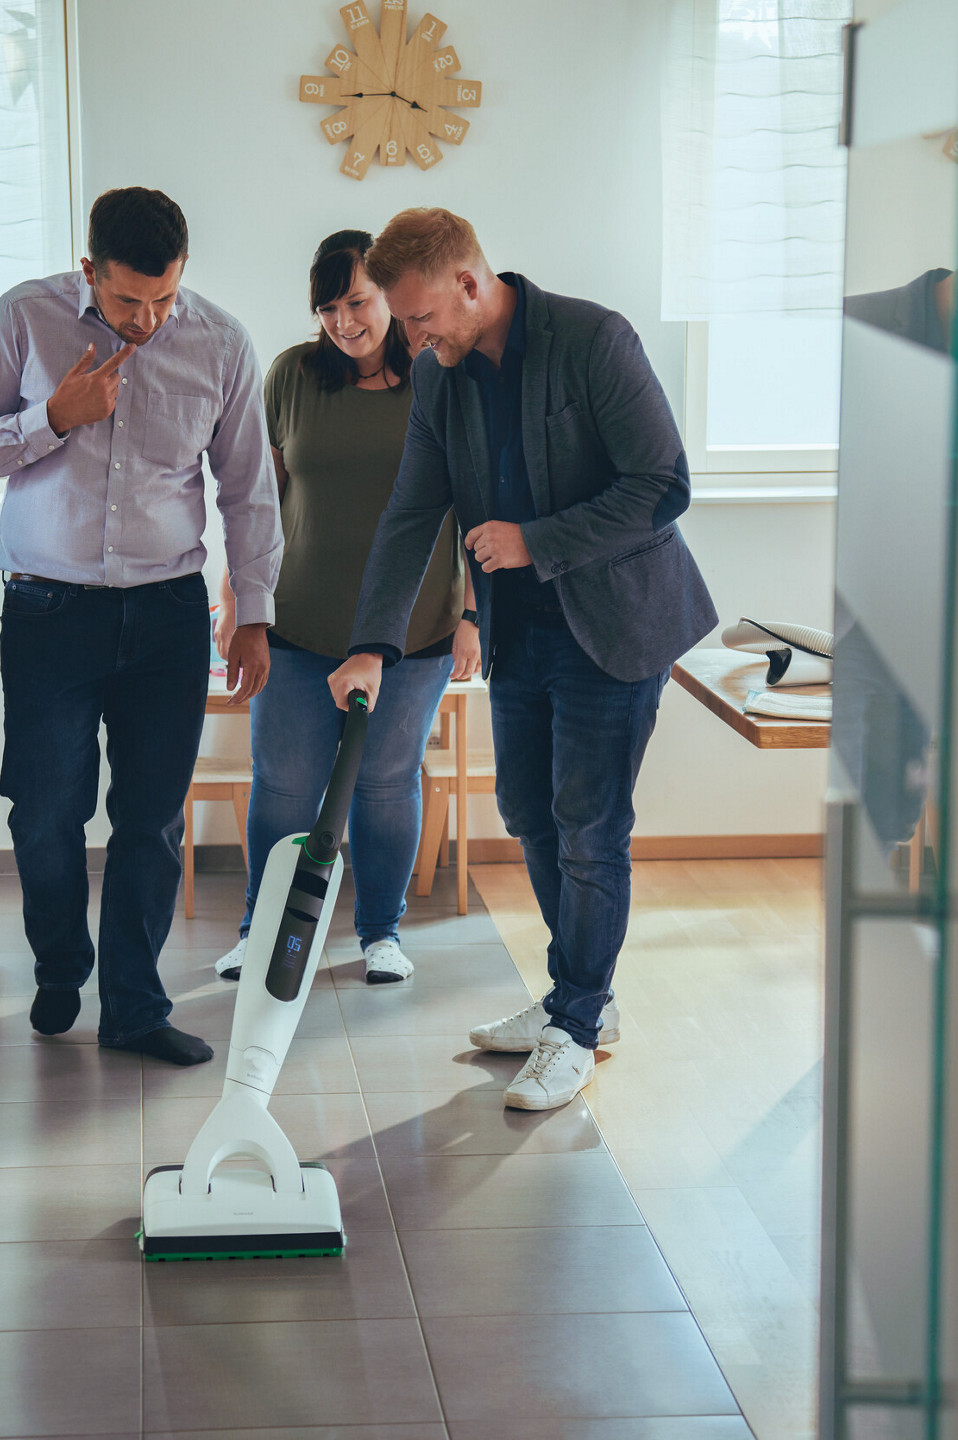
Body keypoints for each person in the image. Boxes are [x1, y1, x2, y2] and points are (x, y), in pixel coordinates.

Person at [327, 208, 717, 1110]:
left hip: (614, 625)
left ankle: (576, 1023)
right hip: (523, 631)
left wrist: (536, 541)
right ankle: (581, 998)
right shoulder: (440, 377)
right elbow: (411, 514)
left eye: (420, 319)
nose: (410, 339)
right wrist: (370, 644)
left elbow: (664, 485)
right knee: (528, 815)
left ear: (470, 282)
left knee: (588, 825)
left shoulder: (593, 339)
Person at [0, 187, 282, 1067]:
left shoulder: (221, 342)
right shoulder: (24, 317)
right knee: (46, 811)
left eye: (164, 298)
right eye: (130, 299)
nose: (148, 318)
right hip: (50, 611)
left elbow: (248, 489)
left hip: (169, 614)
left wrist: (255, 613)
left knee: (151, 819)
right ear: (88, 268)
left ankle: (134, 1006)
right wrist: (52, 418)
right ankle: (61, 965)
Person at [210, 230, 480, 988]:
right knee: (286, 784)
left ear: (389, 298)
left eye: (356, 301)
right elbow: (256, 498)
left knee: (387, 781)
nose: (343, 321)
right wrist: (237, 597)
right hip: (300, 623)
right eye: (327, 307)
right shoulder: (293, 375)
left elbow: (476, 500)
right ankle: (260, 933)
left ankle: (380, 933)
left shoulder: (441, 376)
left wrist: (473, 617)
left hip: (413, 629)